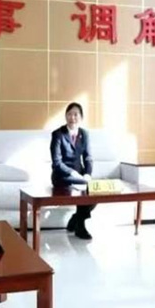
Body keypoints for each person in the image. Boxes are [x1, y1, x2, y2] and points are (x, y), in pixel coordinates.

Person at [50, 102, 95, 240]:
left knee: (95, 189)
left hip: (80, 175)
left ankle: (76, 218)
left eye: (76, 114)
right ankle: (80, 227)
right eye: (69, 114)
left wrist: (87, 174)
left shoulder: (84, 134)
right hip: (61, 176)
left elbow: (88, 158)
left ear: (81, 117)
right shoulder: (58, 134)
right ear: (65, 116)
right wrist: (73, 173)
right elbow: (57, 163)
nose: (72, 117)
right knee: (85, 185)